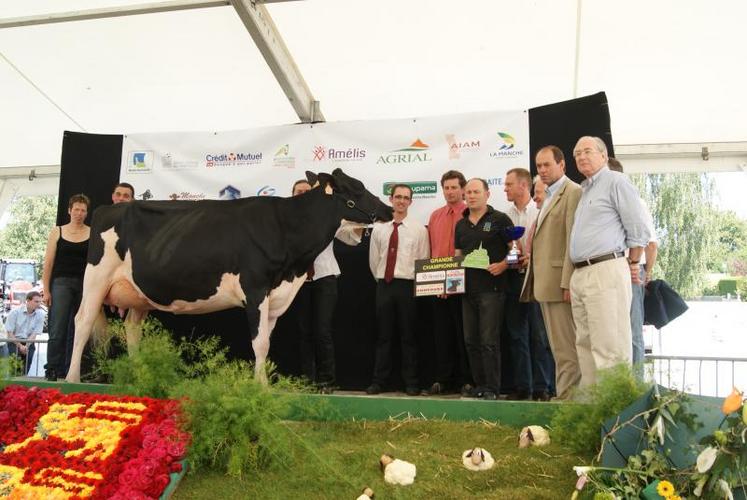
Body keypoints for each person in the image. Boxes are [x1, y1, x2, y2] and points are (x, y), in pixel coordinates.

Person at [569, 137, 651, 386]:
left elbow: (638, 228)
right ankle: (592, 413)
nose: (581, 157)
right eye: (577, 153)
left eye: (587, 151)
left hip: (606, 268)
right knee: (585, 346)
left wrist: (634, 263)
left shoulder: (616, 181)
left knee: (610, 347)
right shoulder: (585, 189)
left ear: (604, 156)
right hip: (581, 272)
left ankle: (616, 417)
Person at [286, 179, 362, 393]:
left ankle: (327, 380)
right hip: (299, 280)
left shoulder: (326, 215)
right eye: (298, 191)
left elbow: (352, 239)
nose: (302, 194)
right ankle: (306, 379)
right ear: (292, 194)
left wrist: (357, 223)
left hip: (325, 277)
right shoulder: (286, 219)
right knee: (303, 332)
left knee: (322, 331)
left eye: (306, 191)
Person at [521, 146, 583, 400]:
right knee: (558, 349)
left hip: (560, 283)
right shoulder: (548, 195)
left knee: (567, 349)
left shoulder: (573, 192)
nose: (543, 171)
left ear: (562, 165)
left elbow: (572, 239)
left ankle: (568, 401)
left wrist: (567, 281)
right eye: (539, 166)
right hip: (545, 283)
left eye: (547, 165)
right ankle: (565, 397)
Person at [366, 184, 429, 396]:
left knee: (409, 336)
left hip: (407, 286)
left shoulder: (419, 230)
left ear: (411, 202)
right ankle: (378, 381)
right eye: (398, 197)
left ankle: (411, 382)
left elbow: (423, 259)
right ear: (391, 199)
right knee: (383, 336)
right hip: (384, 285)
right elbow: (374, 261)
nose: (401, 201)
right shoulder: (379, 228)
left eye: (406, 198)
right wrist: (383, 278)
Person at [454, 178, 514, 400]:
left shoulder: (500, 219)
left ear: (487, 194)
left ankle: (492, 388)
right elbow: (457, 257)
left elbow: (517, 249)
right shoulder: (461, 224)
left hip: (492, 289)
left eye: (476, 191)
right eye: (468, 192)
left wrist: (504, 265)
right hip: (467, 291)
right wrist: (449, 278)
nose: (471, 195)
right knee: (471, 340)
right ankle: (480, 385)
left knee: (489, 340)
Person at [503, 168, 554, 401]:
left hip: (538, 277)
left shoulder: (541, 210)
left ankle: (543, 387)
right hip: (514, 278)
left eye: (509, 184)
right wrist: (512, 257)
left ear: (524, 185)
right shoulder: (506, 216)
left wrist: (532, 259)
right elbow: (508, 247)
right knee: (516, 335)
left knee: (539, 335)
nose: (505, 188)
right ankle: (523, 386)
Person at [607, 158, 659, 365]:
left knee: (632, 329)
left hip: (632, 270)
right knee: (621, 329)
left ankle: (636, 383)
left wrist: (645, 271)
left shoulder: (635, 202)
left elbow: (651, 244)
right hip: (620, 270)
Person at [425, 170, 472, 395]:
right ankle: (443, 380)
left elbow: (463, 253)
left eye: (454, 187)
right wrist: (439, 283)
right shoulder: (435, 216)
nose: (450, 191)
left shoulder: (471, 214)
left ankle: (466, 380)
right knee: (441, 335)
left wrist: (450, 283)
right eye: (447, 187)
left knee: (464, 334)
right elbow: (433, 251)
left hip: (464, 285)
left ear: (463, 189)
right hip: (437, 284)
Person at [42, 194, 91, 381]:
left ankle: (73, 369)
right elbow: (48, 263)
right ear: (69, 210)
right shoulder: (57, 231)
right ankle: (52, 368)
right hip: (61, 283)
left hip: (85, 286)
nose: (79, 213)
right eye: (76, 209)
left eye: (83, 210)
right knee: (57, 328)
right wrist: (46, 290)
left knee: (79, 329)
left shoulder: (92, 232)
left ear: (87, 213)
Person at [4, 291, 45, 371]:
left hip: (29, 343)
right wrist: (20, 346)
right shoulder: (14, 312)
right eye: (36, 301)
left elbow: (34, 334)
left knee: (26, 368)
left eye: (40, 302)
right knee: (14, 369)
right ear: (28, 301)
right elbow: (10, 333)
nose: (38, 304)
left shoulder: (40, 314)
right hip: (14, 342)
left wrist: (26, 346)